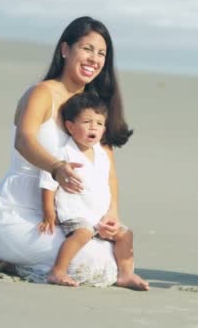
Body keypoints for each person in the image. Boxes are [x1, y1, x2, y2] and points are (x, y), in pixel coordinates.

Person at [0, 16, 148, 289]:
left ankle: (23, 262)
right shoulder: (42, 93)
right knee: (96, 265)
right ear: (65, 50)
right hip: (23, 215)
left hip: (73, 221)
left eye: (101, 53)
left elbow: (109, 174)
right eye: (86, 49)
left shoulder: (95, 109)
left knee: (113, 256)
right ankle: (20, 258)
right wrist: (56, 167)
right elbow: (23, 139)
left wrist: (112, 214)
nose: (94, 59)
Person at [37, 92, 148, 289]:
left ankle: (125, 274)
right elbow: (48, 182)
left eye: (99, 123)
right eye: (87, 122)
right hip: (75, 213)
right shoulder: (64, 153)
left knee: (125, 234)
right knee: (84, 232)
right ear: (70, 126)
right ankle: (58, 270)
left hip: (99, 216)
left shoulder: (102, 155)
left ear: (104, 129)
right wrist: (48, 213)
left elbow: (105, 187)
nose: (93, 127)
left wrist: (109, 216)